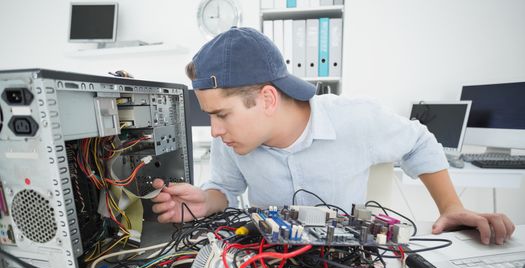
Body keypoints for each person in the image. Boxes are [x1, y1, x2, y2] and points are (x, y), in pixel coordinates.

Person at [152, 27, 515, 245]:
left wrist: (451, 208)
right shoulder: (229, 140)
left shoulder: (356, 119)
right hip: (267, 266)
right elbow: (225, 190)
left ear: (266, 98)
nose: (215, 130)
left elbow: (419, 141)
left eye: (221, 114)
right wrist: (205, 200)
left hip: (346, 267)